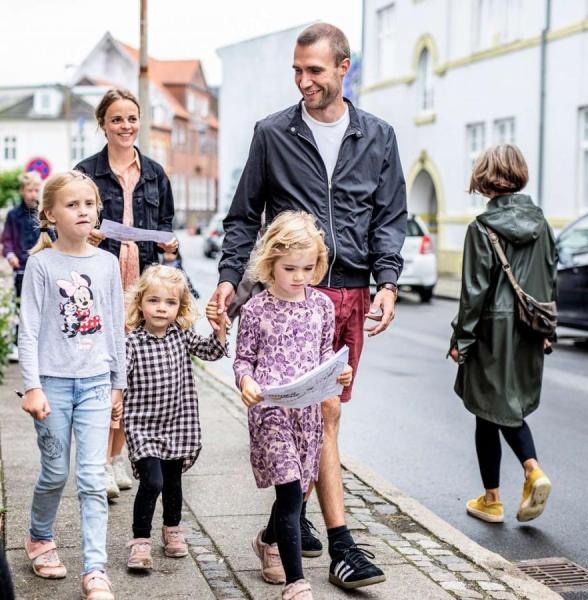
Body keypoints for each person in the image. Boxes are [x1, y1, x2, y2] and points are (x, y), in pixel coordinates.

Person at [210, 23, 406, 589]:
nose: (304, 81)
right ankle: (341, 542)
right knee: (324, 415)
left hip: (348, 294)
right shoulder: (273, 133)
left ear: (344, 68)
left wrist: (387, 283)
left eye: (315, 71)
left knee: (325, 414)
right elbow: (245, 216)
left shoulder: (379, 136)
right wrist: (230, 279)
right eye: (297, 71)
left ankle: (281, 530)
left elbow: (389, 217)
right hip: (294, 291)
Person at [233, 212, 353, 600]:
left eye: (308, 267)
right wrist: (247, 382)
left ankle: (268, 539)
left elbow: (324, 355)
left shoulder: (321, 306)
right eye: (289, 268)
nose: (299, 276)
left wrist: (341, 373)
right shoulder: (255, 309)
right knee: (288, 493)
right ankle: (296, 583)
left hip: (307, 413)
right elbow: (243, 360)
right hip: (270, 411)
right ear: (270, 265)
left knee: (298, 491)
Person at [18, 170, 125, 600]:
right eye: (71, 204)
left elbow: (116, 327)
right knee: (55, 472)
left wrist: (119, 382)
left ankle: (95, 569)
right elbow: (28, 331)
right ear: (50, 215)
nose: (82, 211)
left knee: (92, 477)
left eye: (88, 203)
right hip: (53, 386)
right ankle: (39, 537)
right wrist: (32, 387)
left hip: (98, 382)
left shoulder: (107, 264)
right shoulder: (42, 264)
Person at [75, 88, 178, 500]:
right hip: (100, 281)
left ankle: (116, 457)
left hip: (144, 283)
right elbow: (64, 224)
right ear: (103, 124)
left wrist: (172, 248)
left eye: (132, 118)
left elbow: (169, 226)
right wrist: (87, 231)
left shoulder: (154, 173)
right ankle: (98, 459)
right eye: (117, 119)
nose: (126, 126)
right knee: (102, 372)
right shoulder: (86, 172)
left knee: (131, 375)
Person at [449, 144, 556, 524]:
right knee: (495, 408)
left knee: (490, 407)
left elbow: (473, 292)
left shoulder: (481, 228)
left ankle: (528, 472)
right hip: (530, 328)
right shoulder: (542, 224)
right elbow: (548, 277)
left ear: (484, 179)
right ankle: (492, 496)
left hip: (492, 332)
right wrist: (548, 330)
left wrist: (461, 340)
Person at [123, 264, 228, 571]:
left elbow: (212, 351)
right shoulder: (131, 343)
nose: (161, 308)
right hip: (142, 426)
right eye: (154, 300)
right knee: (152, 482)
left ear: (179, 307)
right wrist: (113, 401)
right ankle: (140, 540)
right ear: (140, 303)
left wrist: (220, 328)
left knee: (173, 481)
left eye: (170, 303)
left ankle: (172, 530)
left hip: (177, 424)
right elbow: (117, 379)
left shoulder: (181, 337)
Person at [1, 171, 44, 361]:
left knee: (42, 306)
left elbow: (52, 237)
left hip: (41, 267)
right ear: (22, 191)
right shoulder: (13, 215)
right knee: (21, 306)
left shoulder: (44, 213)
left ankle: (41, 344)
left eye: (36, 190)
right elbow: (7, 239)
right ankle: (20, 345)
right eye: (30, 190)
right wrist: (10, 255)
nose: (33, 194)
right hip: (20, 267)